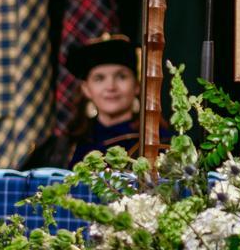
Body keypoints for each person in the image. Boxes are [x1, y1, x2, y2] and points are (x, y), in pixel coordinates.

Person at [26, 33, 165, 169]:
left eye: (121, 77)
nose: (110, 87)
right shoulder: (63, 149)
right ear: (86, 89)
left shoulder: (159, 144)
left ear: (137, 86)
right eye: (99, 78)